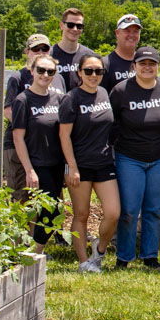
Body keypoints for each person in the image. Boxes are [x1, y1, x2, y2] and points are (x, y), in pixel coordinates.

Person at [109, 46, 160, 269]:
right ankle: (124, 256)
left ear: (159, 66)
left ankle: (150, 255)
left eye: (152, 64)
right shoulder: (121, 91)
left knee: (155, 209)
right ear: (134, 66)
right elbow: (110, 123)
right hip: (129, 157)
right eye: (142, 63)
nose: (147, 67)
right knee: (129, 210)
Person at [58, 53, 119, 273]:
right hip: (79, 165)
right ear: (79, 73)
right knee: (81, 214)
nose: (94, 75)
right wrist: (72, 167)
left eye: (98, 71)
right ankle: (84, 262)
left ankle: (99, 252)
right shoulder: (71, 98)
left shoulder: (103, 93)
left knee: (113, 213)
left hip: (103, 162)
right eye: (89, 71)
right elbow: (64, 135)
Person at [10, 54, 64, 254]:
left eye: (50, 71)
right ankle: (34, 253)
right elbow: (18, 138)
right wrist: (29, 170)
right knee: (52, 211)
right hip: (37, 163)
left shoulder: (59, 99)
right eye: (41, 70)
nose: (45, 74)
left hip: (56, 163)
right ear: (31, 71)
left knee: (50, 210)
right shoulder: (22, 100)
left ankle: (32, 251)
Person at [2, 33, 65, 203]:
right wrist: (33, 130)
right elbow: (9, 112)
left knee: (51, 201)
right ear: (27, 51)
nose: (40, 52)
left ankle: (47, 231)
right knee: (23, 197)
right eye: (35, 49)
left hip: (48, 151)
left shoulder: (58, 78)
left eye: (44, 48)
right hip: (20, 145)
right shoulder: (18, 77)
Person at [51, 8, 95, 90]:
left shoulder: (90, 56)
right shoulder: (49, 55)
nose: (75, 29)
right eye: (70, 25)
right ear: (61, 25)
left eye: (79, 26)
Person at [102, 14, 141, 91]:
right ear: (117, 33)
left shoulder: (144, 62)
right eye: (127, 31)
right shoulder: (105, 64)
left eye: (135, 31)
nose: (131, 35)